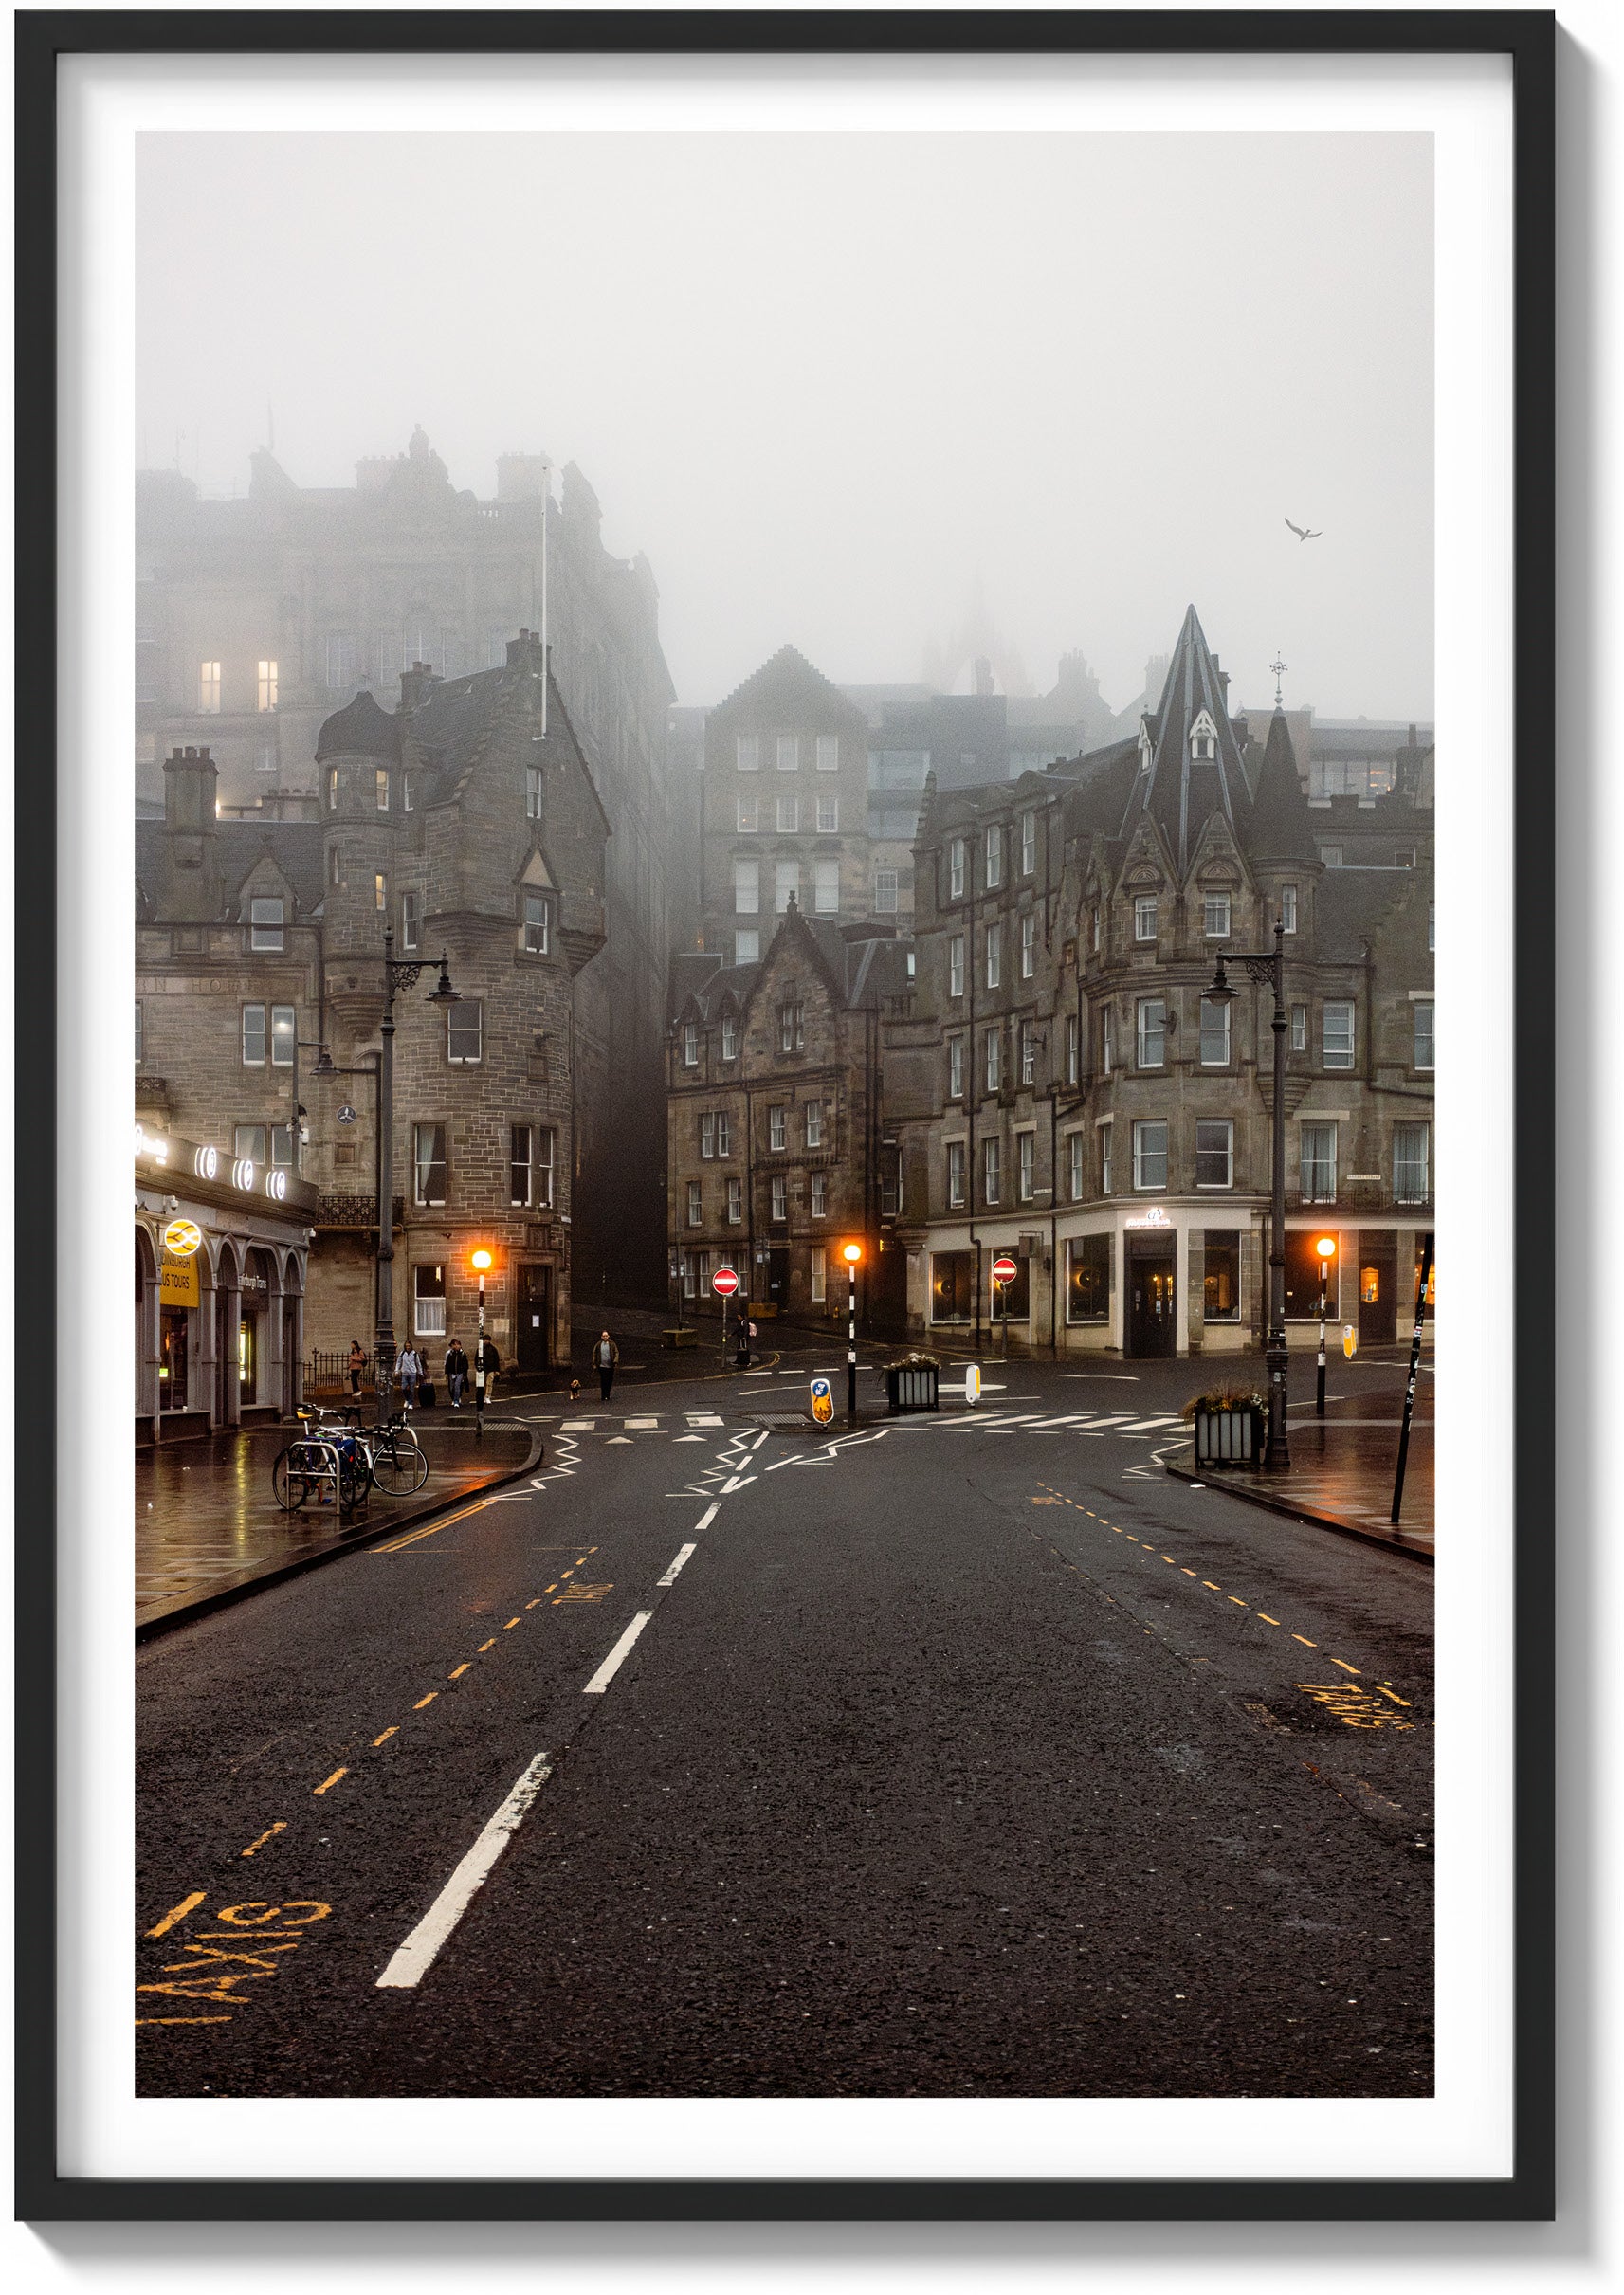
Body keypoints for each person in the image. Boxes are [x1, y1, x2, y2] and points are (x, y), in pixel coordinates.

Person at [474, 1332, 501, 1407]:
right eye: (485, 1340)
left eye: (487, 1340)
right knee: (481, 1384)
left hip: (491, 1369)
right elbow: (476, 1359)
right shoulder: (479, 1349)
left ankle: (487, 1396)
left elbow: (496, 1360)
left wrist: (497, 1370)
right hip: (482, 1369)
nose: (486, 1341)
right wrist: (477, 1367)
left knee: (489, 1383)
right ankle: (481, 1396)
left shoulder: (493, 1349)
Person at [594, 1329, 620, 1403]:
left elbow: (616, 1352)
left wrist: (615, 1361)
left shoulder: (612, 1344)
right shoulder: (599, 1344)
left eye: (606, 1335)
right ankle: (603, 1395)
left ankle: (607, 1394)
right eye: (604, 1336)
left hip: (610, 1366)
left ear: (608, 1336)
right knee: (603, 1380)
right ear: (601, 1337)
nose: (605, 1337)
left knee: (609, 1380)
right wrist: (594, 1364)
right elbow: (595, 1354)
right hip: (601, 1366)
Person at [397, 1342, 423, 1412]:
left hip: (412, 1373)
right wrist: (397, 1370)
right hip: (404, 1373)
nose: (407, 1347)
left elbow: (418, 1364)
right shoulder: (402, 1353)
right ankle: (407, 1399)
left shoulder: (415, 1354)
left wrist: (420, 1372)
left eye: (408, 1346)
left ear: (411, 1346)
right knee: (403, 1388)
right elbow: (399, 1362)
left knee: (411, 1389)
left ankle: (411, 1403)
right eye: (406, 1346)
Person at [444, 1336, 468, 1410]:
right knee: (451, 1387)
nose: (456, 1346)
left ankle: (456, 1401)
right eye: (454, 1345)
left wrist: (465, 1374)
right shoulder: (450, 1353)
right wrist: (446, 1373)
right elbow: (447, 1363)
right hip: (451, 1372)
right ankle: (454, 1398)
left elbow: (465, 1364)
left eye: (457, 1344)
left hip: (460, 1372)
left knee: (457, 1385)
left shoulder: (463, 1354)